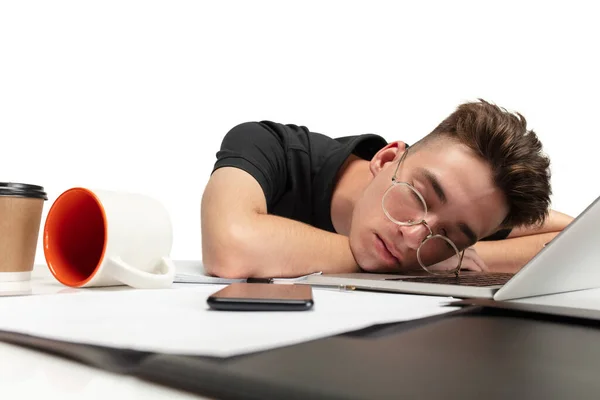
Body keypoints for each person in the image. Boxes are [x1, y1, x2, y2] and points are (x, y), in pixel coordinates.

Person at [201, 99, 573, 278]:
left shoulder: (469, 210)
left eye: (449, 236)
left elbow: (582, 235)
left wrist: (468, 257)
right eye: (418, 196)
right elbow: (230, 246)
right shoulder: (269, 146)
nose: (414, 239)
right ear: (385, 158)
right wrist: (416, 267)